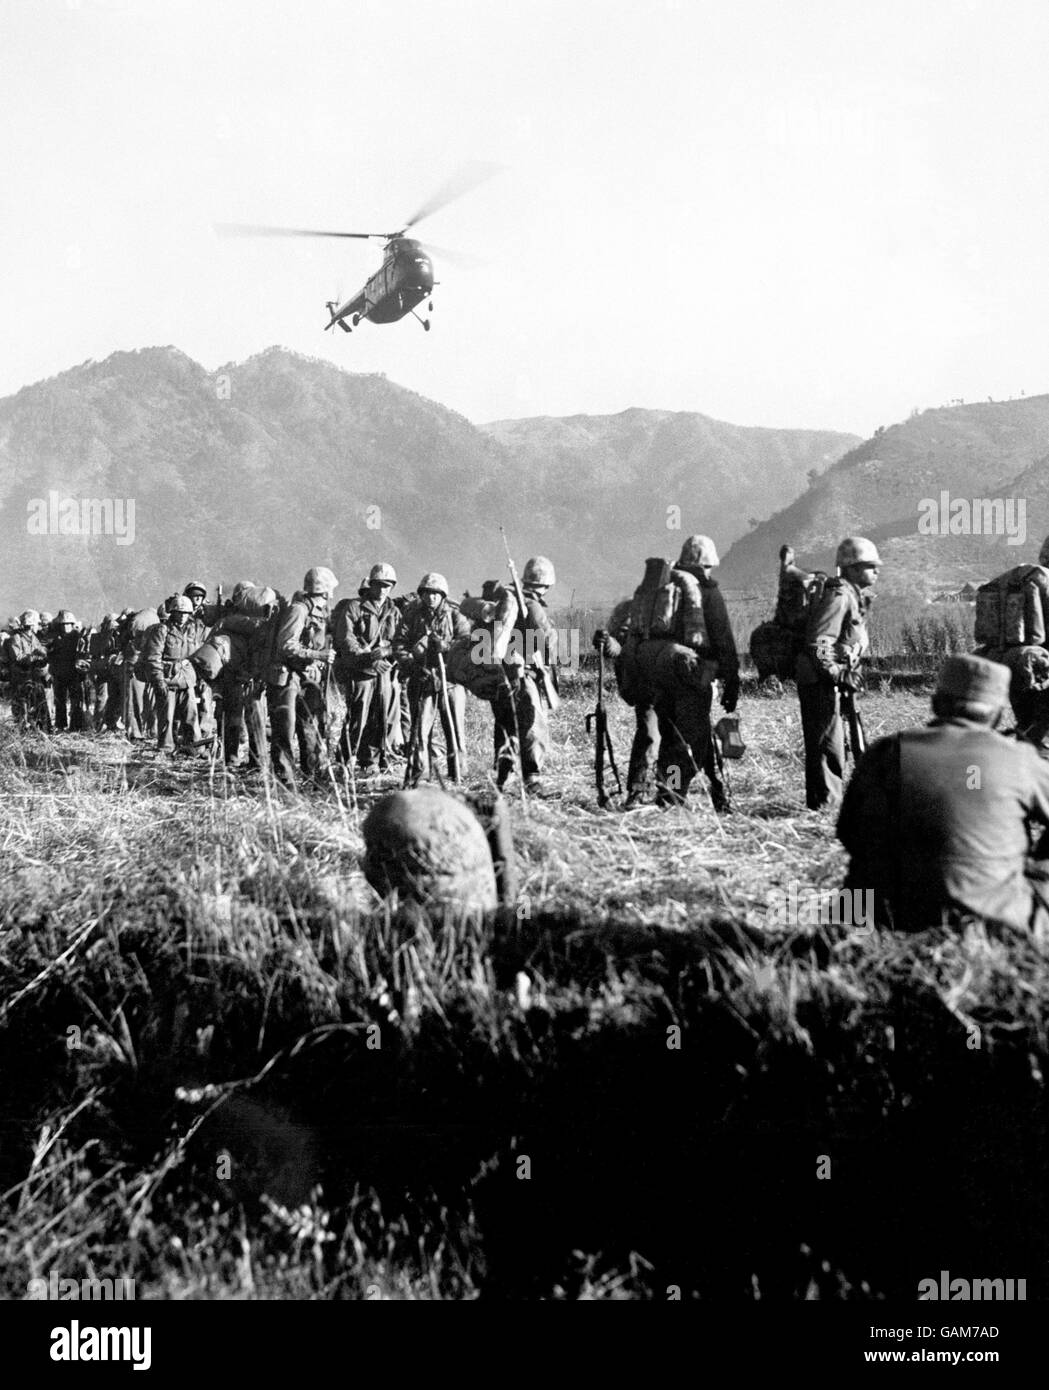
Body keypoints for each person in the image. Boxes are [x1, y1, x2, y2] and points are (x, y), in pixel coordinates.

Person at [838, 653, 1049, 937]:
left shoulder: (885, 752)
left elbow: (849, 834)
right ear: (998, 714)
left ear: (936, 704)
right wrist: (1033, 863)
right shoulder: (1020, 759)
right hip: (1000, 923)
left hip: (889, 920)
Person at [796, 536, 880, 811]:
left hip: (835, 679)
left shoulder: (853, 596)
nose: (876, 571)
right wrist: (834, 673)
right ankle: (825, 806)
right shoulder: (839, 595)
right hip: (821, 680)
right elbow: (819, 641)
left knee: (840, 743)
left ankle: (832, 802)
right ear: (852, 568)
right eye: (870, 566)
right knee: (827, 746)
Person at [394, 572, 471, 786]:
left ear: (443, 595)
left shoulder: (455, 615)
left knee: (455, 729)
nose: (431, 598)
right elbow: (399, 644)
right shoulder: (411, 615)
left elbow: (467, 643)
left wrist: (446, 647)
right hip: (422, 679)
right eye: (427, 593)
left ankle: (458, 774)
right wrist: (412, 666)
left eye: (435, 594)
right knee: (420, 731)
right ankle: (420, 776)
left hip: (451, 681)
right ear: (421, 594)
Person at [492, 556, 558, 794]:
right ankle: (532, 778)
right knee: (532, 724)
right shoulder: (532, 606)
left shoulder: (506, 600)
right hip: (525, 674)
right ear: (547, 585)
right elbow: (547, 639)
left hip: (503, 673)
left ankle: (503, 777)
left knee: (506, 723)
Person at [269, 567, 337, 786]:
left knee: (310, 725)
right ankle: (285, 778)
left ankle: (314, 774)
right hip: (287, 677)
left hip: (308, 676)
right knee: (285, 728)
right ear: (325, 590)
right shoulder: (298, 610)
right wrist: (319, 654)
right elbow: (286, 644)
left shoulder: (321, 612)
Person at [333, 562, 401, 774]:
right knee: (357, 718)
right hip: (361, 671)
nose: (382, 590)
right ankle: (344, 760)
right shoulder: (354, 607)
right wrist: (370, 658)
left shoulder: (394, 611)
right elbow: (346, 639)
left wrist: (388, 652)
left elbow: (400, 639)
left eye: (387, 585)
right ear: (370, 584)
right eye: (378, 585)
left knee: (382, 717)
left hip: (385, 671)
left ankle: (370, 760)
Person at [142, 595, 202, 753]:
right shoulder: (162, 630)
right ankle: (166, 749)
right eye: (179, 612)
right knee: (167, 719)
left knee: (191, 716)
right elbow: (153, 658)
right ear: (172, 612)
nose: (182, 615)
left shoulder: (193, 630)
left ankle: (193, 749)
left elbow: (196, 655)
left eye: (186, 612)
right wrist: (158, 681)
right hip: (168, 680)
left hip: (187, 679)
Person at [2, 610, 52, 731]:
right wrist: (34, 657)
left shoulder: (33, 638)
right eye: (36, 624)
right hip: (19, 676)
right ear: (30, 625)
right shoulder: (16, 638)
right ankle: (22, 729)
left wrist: (44, 655)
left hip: (32, 676)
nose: (38, 626)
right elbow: (17, 657)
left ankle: (41, 728)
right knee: (21, 705)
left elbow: (40, 650)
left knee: (38, 702)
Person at [48, 610, 89, 731]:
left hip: (74, 674)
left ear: (72, 624)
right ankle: (61, 725)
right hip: (59, 673)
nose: (66, 626)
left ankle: (76, 726)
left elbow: (84, 654)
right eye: (63, 624)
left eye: (68, 623)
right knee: (60, 700)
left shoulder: (78, 637)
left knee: (76, 700)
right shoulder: (55, 637)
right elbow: (49, 653)